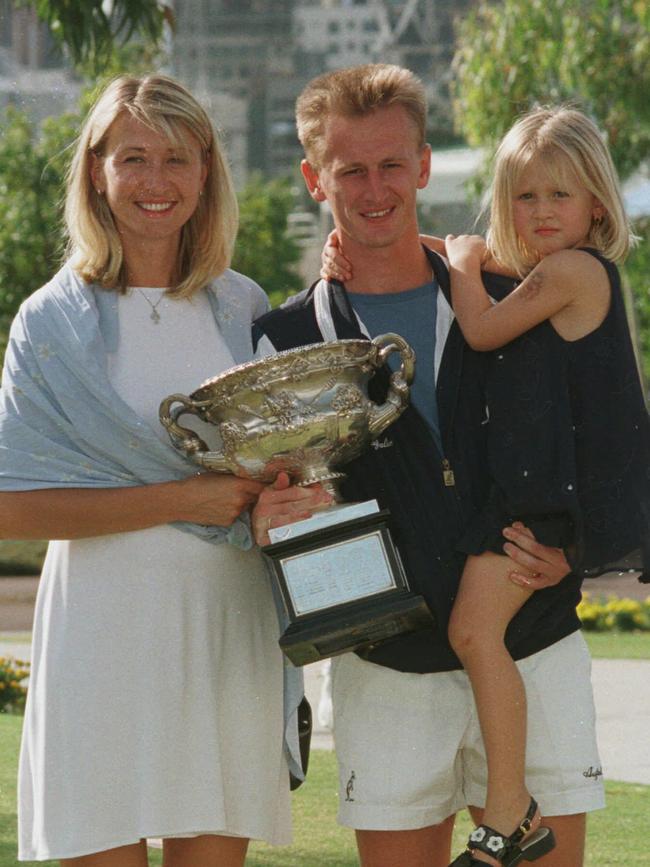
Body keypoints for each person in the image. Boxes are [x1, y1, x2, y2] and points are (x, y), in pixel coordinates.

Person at [251, 64, 612, 867]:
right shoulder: (285, 344)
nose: (375, 188)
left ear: (423, 164)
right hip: (388, 668)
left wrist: (577, 546)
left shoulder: (516, 291)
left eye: (392, 164)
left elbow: (603, 431)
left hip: (533, 645)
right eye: (351, 170)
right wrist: (265, 519)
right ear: (317, 179)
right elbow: (275, 501)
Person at [0, 74, 326, 866]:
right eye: (134, 157)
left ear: (206, 172)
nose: (156, 180)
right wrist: (182, 497)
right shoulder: (51, 321)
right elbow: (12, 508)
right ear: (96, 172)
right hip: (101, 635)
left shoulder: (246, 309)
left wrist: (283, 499)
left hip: (226, 631)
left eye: (176, 158)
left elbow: (289, 472)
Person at [323, 104, 650, 865]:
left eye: (559, 196)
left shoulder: (572, 272)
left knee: (473, 632)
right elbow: (453, 257)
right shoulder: (545, 271)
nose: (540, 212)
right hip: (531, 496)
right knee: (482, 633)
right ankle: (511, 804)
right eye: (525, 197)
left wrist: (461, 263)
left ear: (597, 203)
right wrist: (383, 243)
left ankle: (510, 806)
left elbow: (480, 328)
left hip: (541, 505)